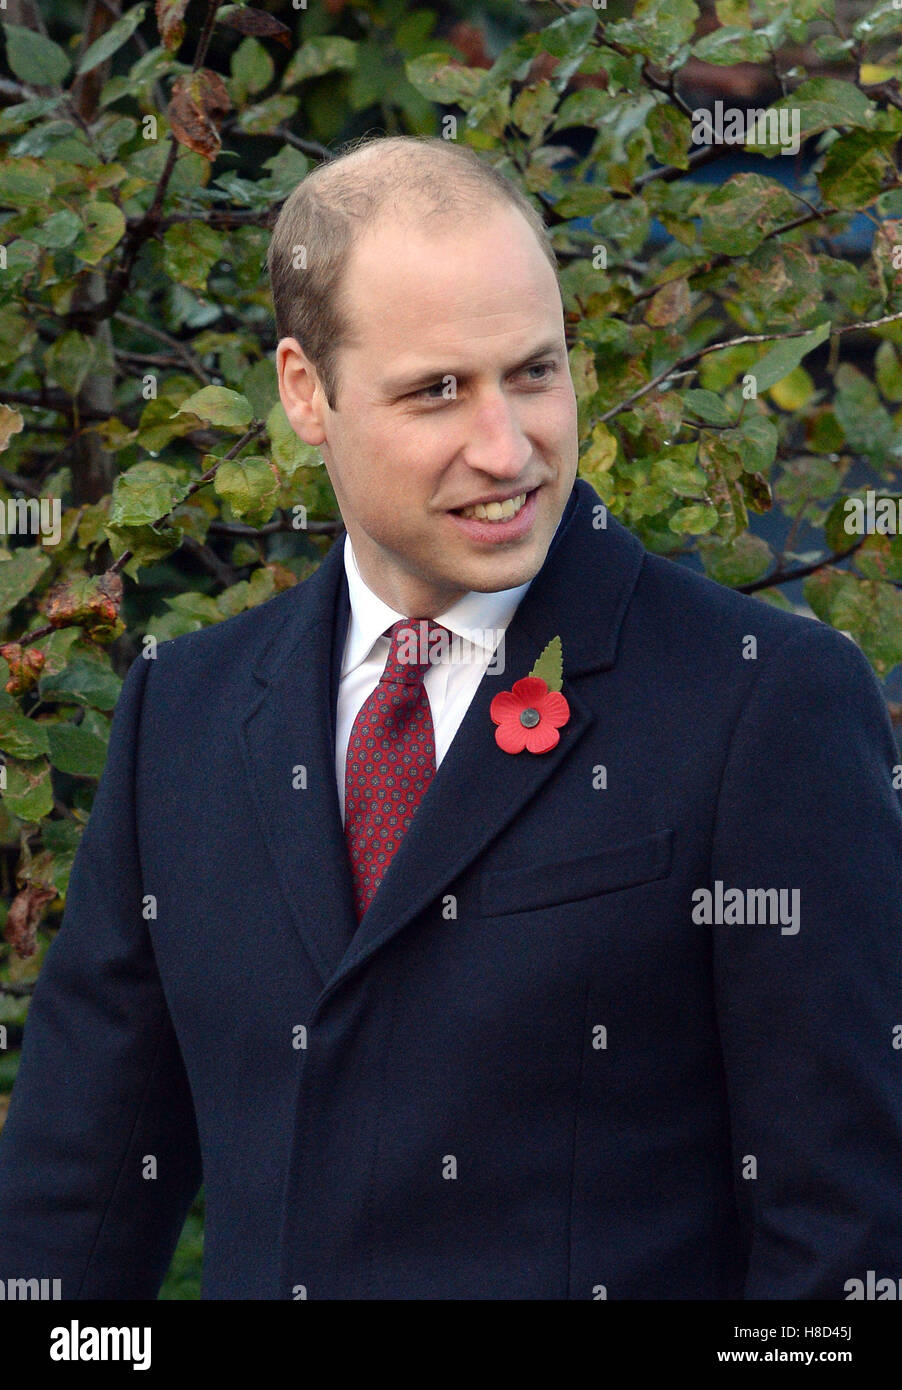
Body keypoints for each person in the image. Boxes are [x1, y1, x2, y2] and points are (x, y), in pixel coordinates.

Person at [1, 134, 901, 1300]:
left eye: (532, 372)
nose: (506, 446)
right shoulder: (183, 714)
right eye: (438, 390)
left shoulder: (761, 700)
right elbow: (71, 1218)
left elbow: (847, 1243)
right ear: (302, 392)